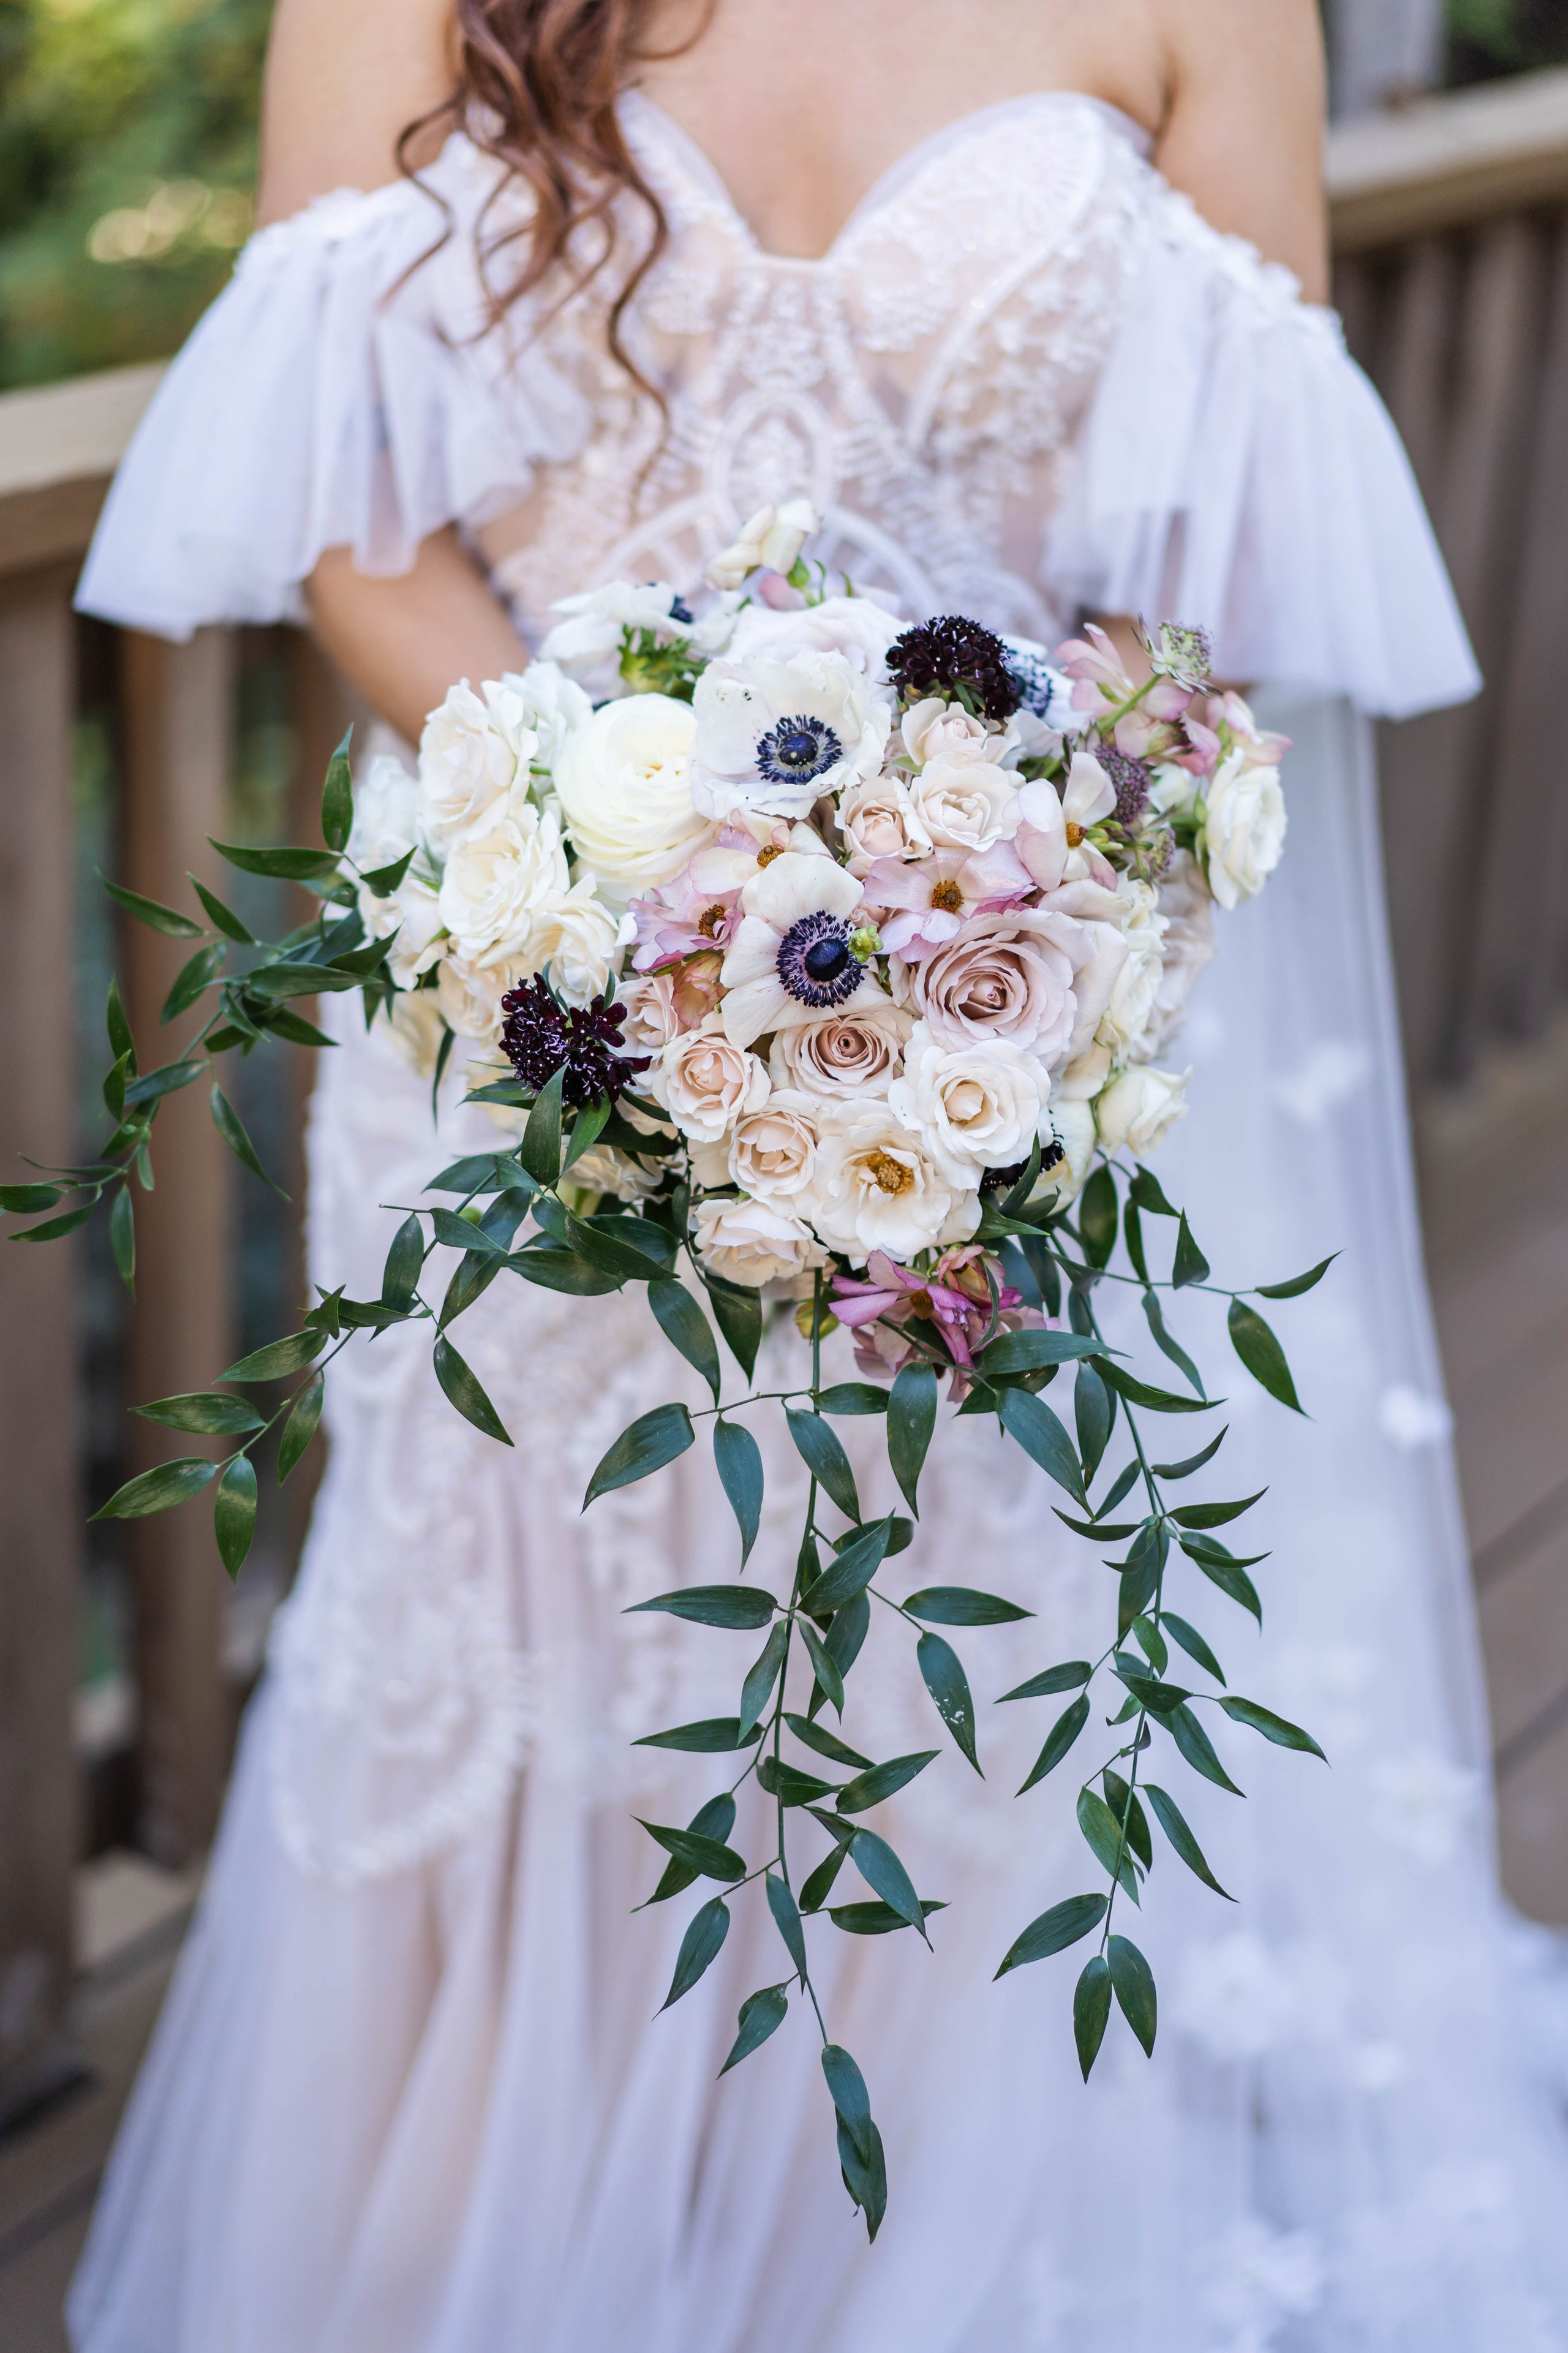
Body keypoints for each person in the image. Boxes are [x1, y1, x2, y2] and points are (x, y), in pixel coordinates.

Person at [69, 2, 1568, 2346]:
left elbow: (1218, 559)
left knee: (927, 1671)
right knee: (520, 1650)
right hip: (516, 1006)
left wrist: (981, 899)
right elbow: (361, 517)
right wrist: (623, 912)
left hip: (987, 1025)